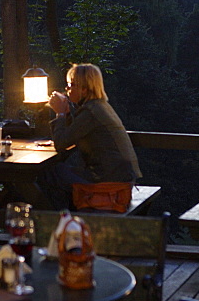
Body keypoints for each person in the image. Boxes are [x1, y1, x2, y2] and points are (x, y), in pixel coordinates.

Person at [41, 63, 141, 210]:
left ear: (84, 88)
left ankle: (57, 218)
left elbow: (61, 143)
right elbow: (73, 134)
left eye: (71, 85)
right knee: (60, 171)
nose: (67, 89)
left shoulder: (91, 112)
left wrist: (60, 114)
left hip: (108, 179)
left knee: (50, 172)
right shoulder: (98, 107)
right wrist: (68, 113)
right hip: (121, 175)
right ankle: (69, 214)